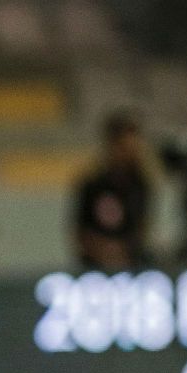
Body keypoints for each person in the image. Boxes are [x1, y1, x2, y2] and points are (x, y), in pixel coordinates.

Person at [72, 112, 152, 272]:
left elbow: (142, 226)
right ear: (112, 145)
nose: (131, 153)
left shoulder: (140, 183)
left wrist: (126, 251)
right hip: (95, 270)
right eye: (125, 147)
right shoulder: (92, 184)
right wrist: (105, 251)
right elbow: (80, 231)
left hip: (131, 267)